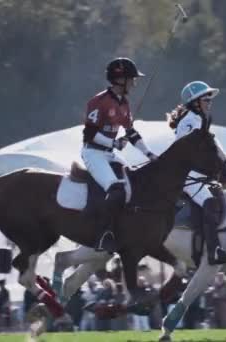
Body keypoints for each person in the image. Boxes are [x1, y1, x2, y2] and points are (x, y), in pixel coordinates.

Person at [81, 57, 158, 253]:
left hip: (110, 154)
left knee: (134, 181)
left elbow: (131, 133)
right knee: (116, 189)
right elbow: (89, 134)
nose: (134, 83)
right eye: (132, 79)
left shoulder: (124, 103)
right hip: (94, 154)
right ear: (120, 79)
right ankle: (103, 234)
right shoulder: (99, 102)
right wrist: (113, 142)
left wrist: (149, 154)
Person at [165, 81, 226, 265]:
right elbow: (185, 152)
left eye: (210, 99)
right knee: (209, 203)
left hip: (198, 174)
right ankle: (213, 252)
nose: (209, 102)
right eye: (206, 99)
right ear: (194, 102)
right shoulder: (189, 121)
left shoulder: (199, 119)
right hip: (188, 175)